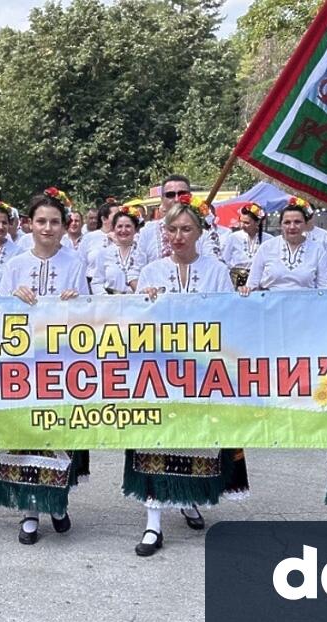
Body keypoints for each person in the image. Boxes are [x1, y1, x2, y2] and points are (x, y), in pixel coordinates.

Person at [129, 193, 241, 556]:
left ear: (199, 232)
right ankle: (153, 523)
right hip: (159, 370)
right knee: (155, 439)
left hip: (202, 369)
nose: (178, 236)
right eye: (172, 230)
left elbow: (228, 318)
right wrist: (143, 302)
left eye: (186, 229)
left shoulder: (215, 270)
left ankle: (189, 497)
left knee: (196, 439)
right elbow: (135, 324)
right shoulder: (151, 272)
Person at [0, 187, 90, 545]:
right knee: (27, 436)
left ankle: (57, 502)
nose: (47, 228)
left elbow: (91, 318)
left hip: (62, 365)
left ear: (65, 226)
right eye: (41, 221)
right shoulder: (15, 265)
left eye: (55, 221)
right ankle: (30, 510)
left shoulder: (74, 264)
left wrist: (78, 302)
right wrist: (13, 298)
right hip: (23, 364)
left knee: (58, 434)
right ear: (29, 224)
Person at [241, 197, 327, 294]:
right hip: (270, 305)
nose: (292, 227)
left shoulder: (317, 250)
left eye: (297, 222)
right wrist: (246, 290)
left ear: (305, 224)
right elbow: (252, 285)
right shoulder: (266, 248)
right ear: (280, 225)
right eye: (287, 222)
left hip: (306, 305)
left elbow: (325, 288)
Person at [90, 205, 147, 295]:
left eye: (128, 226)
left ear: (135, 229)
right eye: (119, 226)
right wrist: (105, 298)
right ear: (114, 228)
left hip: (138, 304)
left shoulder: (142, 253)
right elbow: (96, 282)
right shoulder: (104, 253)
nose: (123, 230)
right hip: (111, 305)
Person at [221, 202, 272, 288]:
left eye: (246, 223)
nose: (242, 226)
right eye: (241, 222)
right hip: (235, 281)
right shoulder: (233, 237)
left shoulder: (269, 240)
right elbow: (225, 261)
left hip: (259, 282)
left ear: (257, 222)